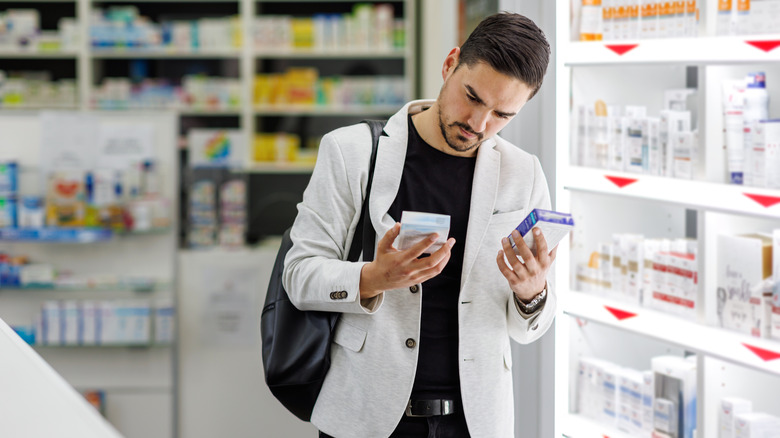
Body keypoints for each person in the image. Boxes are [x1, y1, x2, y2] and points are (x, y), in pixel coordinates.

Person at [283, 12, 556, 438]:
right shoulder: (351, 152)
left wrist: (531, 292)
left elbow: (532, 328)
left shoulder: (525, 175)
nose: (479, 125)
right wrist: (372, 277)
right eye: (472, 97)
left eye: (502, 115)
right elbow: (298, 276)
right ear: (450, 64)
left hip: (477, 420)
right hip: (367, 415)